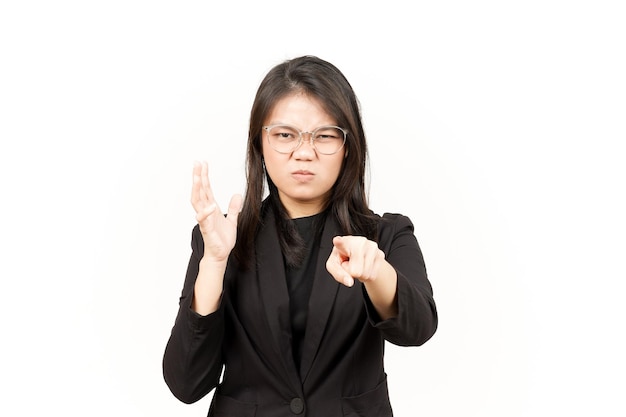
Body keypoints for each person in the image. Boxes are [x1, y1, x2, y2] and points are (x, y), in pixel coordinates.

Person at [162, 55, 438, 417]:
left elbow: (417, 329)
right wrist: (214, 262)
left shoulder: (386, 235)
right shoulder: (221, 238)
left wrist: (376, 273)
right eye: (284, 135)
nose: (304, 152)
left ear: (347, 147)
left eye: (324, 136)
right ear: (259, 145)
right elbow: (186, 384)